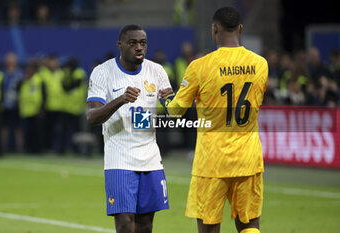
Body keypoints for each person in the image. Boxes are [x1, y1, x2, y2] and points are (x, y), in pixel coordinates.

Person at [166, 7, 268, 233]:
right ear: (240, 29)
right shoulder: (260, 64)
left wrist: (167, 97)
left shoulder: (199, 66)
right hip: (248, 158)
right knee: (250, 224)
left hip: (212, 161)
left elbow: (175, 111)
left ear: (214, 30)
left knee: (209, 227)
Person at [86, 24, 173, 233]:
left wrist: (174, 102)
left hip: (150, 157)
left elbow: (175, 110)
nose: (139, 47)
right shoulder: (103, 72)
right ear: (120, 45)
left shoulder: (157, 71)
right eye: (132, 43)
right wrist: (121, 99)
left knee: (145, 224)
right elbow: (92, 116)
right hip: (119, 157)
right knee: (125, 223)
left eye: (143, 43)